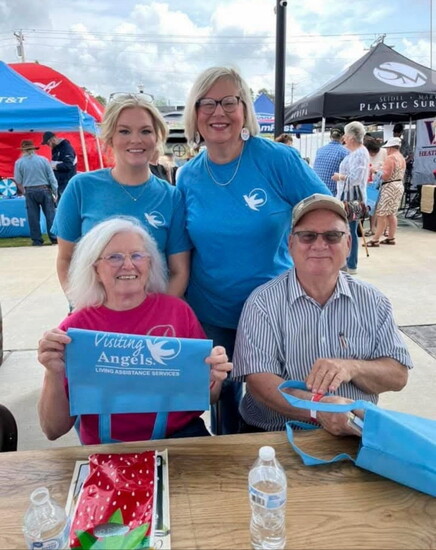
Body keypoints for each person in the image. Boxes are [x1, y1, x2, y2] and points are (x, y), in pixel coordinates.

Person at [178, 66, 330, 435]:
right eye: (208, 103)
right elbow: (180, 248)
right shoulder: (186, 176)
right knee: (223, 399)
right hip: (212, 311)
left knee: (278, 401)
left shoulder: (276, 158)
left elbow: (325, 212)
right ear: (194, 114)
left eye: (230, 101)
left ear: (244, 109)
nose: (219, 113)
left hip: (274, 310)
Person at [37, 217, 232, 444]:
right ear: (95, 268)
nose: (128, 265)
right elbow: (52, 430)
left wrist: (212, 378)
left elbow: (209, 397)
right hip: (106, 447)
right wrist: (53, 372)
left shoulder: (178, 312)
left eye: (137, 255)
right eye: (114, 257)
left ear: (150, 264)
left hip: (179, 437)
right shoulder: (76, 329)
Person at [232, 194, 412, 436]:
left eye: (332, 236)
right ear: (290, 244)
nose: (319, 245)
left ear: (348, 244)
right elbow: (259, 383)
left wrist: (353, 368)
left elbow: (398, 375)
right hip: (274, 436)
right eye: (307, 236)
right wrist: (318, 409)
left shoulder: (373, 300)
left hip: (355, 435)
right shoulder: (262, 302)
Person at [52, 94, 190, 298]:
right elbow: (65, 260)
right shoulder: (81, 188)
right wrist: (83, 310)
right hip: (94, 319)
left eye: (145, 131)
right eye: (124, 131)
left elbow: (179, 271)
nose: (136, 139)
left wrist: (157, 317)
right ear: (110, 138)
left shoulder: (171, 197)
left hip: (151, 322)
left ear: (157, 137)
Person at [332, 121, 370, 275]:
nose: (344, 139)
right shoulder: (356, 153)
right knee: (348, 230)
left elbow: (355, 178)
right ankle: (348, 262)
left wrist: (339, 176)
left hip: (351, 198)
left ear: (351, 137)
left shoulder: (359, 153)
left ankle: (351, 263)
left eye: (346, 135)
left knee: (350, 231)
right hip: (348, 196)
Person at [13, 139, 58, 247]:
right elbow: (52, 177)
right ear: (34, 149)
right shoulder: (43, 160)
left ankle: (37, 240)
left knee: (33, 217)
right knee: (50, 215)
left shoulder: (19, 162)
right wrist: (55, 192)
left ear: (23, 150)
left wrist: (24, 192)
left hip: (30, 190)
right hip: (45, 189)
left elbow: (18, 180)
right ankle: (54, 238)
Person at [366, 137, 406, 247]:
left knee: (381, 214)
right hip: (398, 185)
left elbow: (385, 176)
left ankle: (375, 239)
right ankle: (391, 237)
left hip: (389, 187)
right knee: (392, 213)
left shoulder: (391, 158)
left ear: (391, 147)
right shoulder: (401, 158)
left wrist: (375, 171)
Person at [41, 131, 77, 200]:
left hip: (66, 182)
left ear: (53, 139)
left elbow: (68, 165)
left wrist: (54, 166)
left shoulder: (66, 148)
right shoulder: (55, 149)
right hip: (59, 183)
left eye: (48, 143)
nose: (48, 146)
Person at [313, 126, 349, 195]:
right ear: (343, 137)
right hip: (332, 194)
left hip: (317, 191)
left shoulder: (320, 150)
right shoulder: (345, 152)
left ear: (330, 136)